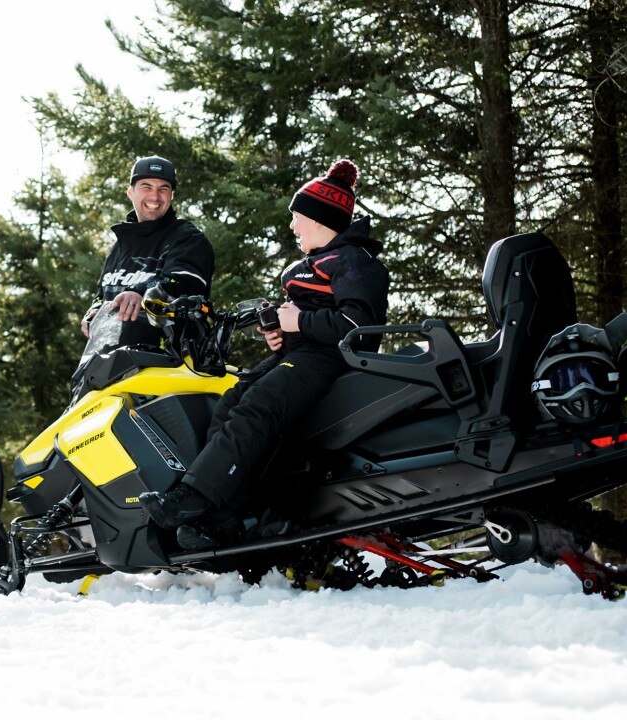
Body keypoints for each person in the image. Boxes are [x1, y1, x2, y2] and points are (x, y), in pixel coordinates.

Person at [138, 159, 389, 550]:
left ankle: (195, 497)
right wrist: (282, 334)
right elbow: (308, 320)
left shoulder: (353, 260)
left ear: (317, 219)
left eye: (296, 218)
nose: (292, 226)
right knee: (229, 404)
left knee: (259, 403)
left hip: (331, 359)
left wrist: (299, 322)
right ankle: (224, 518)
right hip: (301, 354)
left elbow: (358, 325)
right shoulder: (311, 265)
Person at [71, 155, 215, 398]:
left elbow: (186, 283)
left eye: (163, 189)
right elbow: (102, 295)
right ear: (131, 192)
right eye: (146, 187)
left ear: (171, 196)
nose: (155, 197)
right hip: (102, 373)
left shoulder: (188, 238)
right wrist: (93, 312)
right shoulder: (119, 247)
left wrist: (141, 293)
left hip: (166, 372)